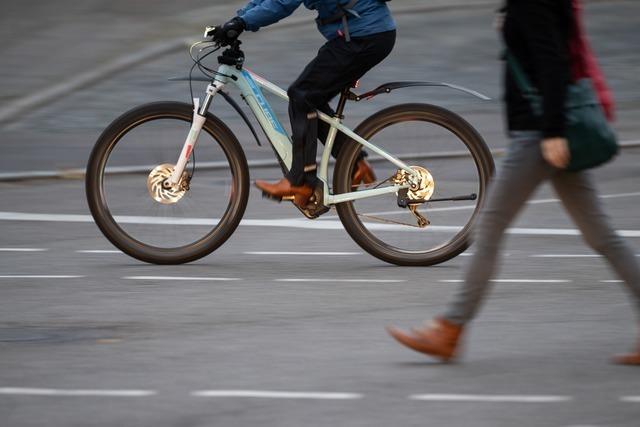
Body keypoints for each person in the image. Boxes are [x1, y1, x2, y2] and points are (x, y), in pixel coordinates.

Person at [387, 0, 640, 365]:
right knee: (602, 235)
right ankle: (449, 330)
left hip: (539, 135)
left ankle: (449, 329)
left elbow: (553, 62)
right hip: (549, 129)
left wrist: (552, 132)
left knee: (490, 227)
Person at [217, 0, 397, 207]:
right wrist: (236, 20)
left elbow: (281, 3)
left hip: (363, 35)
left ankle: (300, 182)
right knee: (312, 99)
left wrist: (242, 22)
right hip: (366, 34)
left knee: (302, 95)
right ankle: (355, 163)